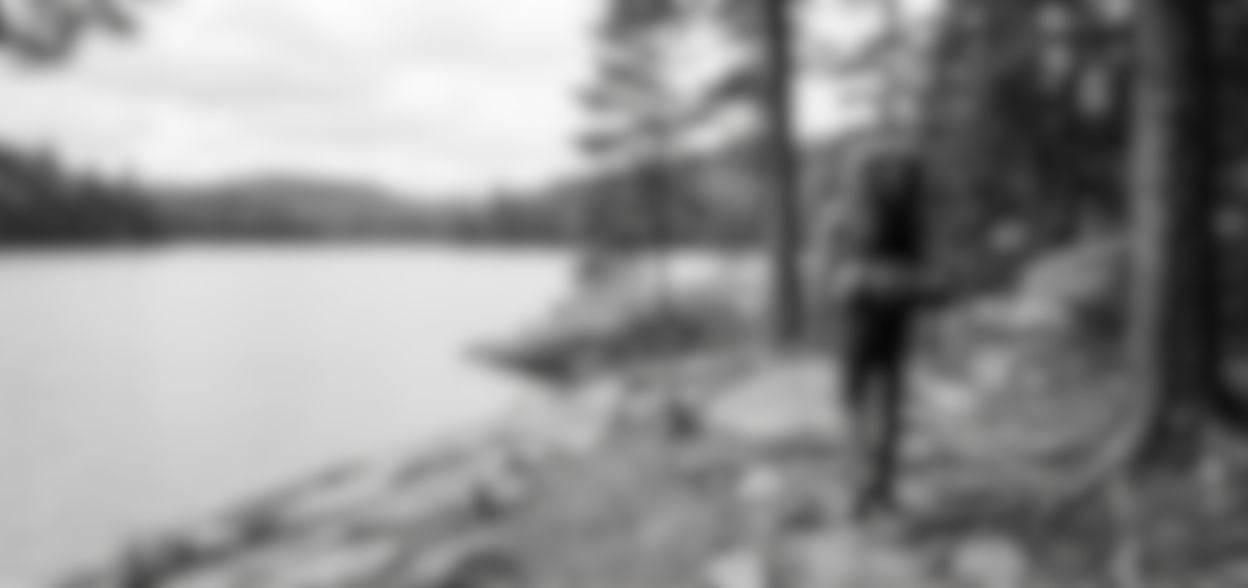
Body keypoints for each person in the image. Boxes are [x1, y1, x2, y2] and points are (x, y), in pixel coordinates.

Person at [824, 148, 928, 521]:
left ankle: (875, 490)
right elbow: (837, 281)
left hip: (880, 328)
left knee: (877, 410)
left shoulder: (899, 219)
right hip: (866, 328)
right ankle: (865, 491)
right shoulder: (848, 219)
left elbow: (916, 275)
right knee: (866, 409)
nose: (891, 182)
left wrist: (870, 280)